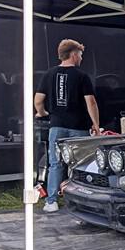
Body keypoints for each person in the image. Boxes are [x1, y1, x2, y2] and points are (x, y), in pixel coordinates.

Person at [34, 39, 100, 213]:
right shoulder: (82, 76)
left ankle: (51, 202)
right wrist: (96, 125)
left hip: (56, 127)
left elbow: (38, 100)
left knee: (55, 164)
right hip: (79, 127)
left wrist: (42, 113)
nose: (81, 59)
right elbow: (91, 103)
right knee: (80, 164)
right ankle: (81, 201)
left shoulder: (49, 74)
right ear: (73, 55)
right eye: (80, 55)